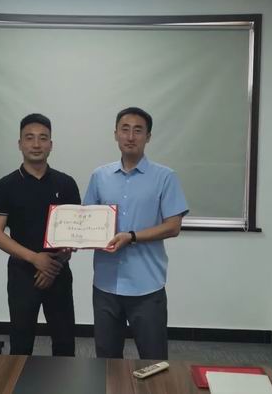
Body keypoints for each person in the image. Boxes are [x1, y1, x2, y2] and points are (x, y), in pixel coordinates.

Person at [83, 107, 188, 360]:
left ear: (148, 137)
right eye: (125, 129)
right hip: (106, 284)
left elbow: (173, 226)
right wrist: (74, 238)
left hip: (147, 286)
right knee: (106, 360)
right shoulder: (100, 176)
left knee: (154, 359)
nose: (130, 137)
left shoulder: (165, 177)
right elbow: (86, 222)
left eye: (138, 131)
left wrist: (131, 236)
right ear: (116, 134)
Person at [0, 113, 80, 356]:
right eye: (29, 138)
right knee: (21, 343)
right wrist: (35, 258)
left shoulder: (66, 184)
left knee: (64, 343)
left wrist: (52, 266)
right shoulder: (5, 186)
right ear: (20, 144)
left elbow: (74, 234)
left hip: (58, 272)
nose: (36, 144)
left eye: (43, 138)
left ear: (51, 144)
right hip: (21, 273)